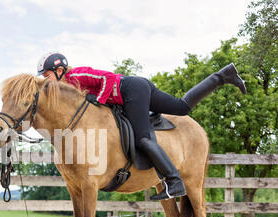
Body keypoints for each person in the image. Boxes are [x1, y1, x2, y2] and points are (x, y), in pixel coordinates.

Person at [37, 52, 246, 200]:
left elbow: (108, 79)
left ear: (60, 70)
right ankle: (223, 75)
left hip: (131, 90)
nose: (45, 81)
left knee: (142, 138)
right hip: (135, 89)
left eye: (46, 76)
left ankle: (174, 181)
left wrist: (97, 100)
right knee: (181, 107)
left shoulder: (77, 76)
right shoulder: (66, 90)